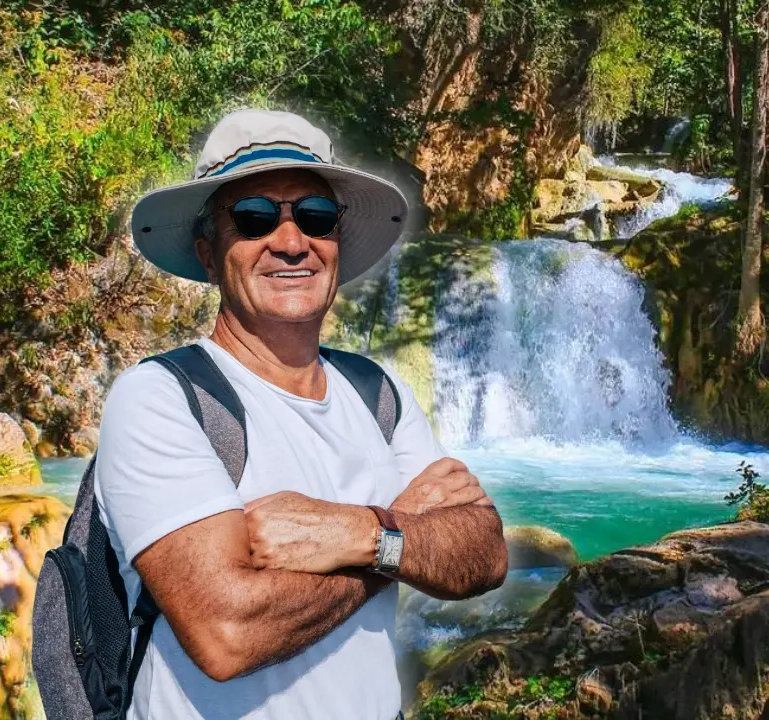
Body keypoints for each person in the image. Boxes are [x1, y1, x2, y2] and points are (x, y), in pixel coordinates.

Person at [96, 108, 508, 719]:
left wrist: (356, 534)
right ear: (209, 253)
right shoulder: (160, 398)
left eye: (315, 216)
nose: (291, 243)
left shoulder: (378, 392)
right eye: (254, 216)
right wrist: (402, 538)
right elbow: (227, 633)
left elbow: (486, 551)